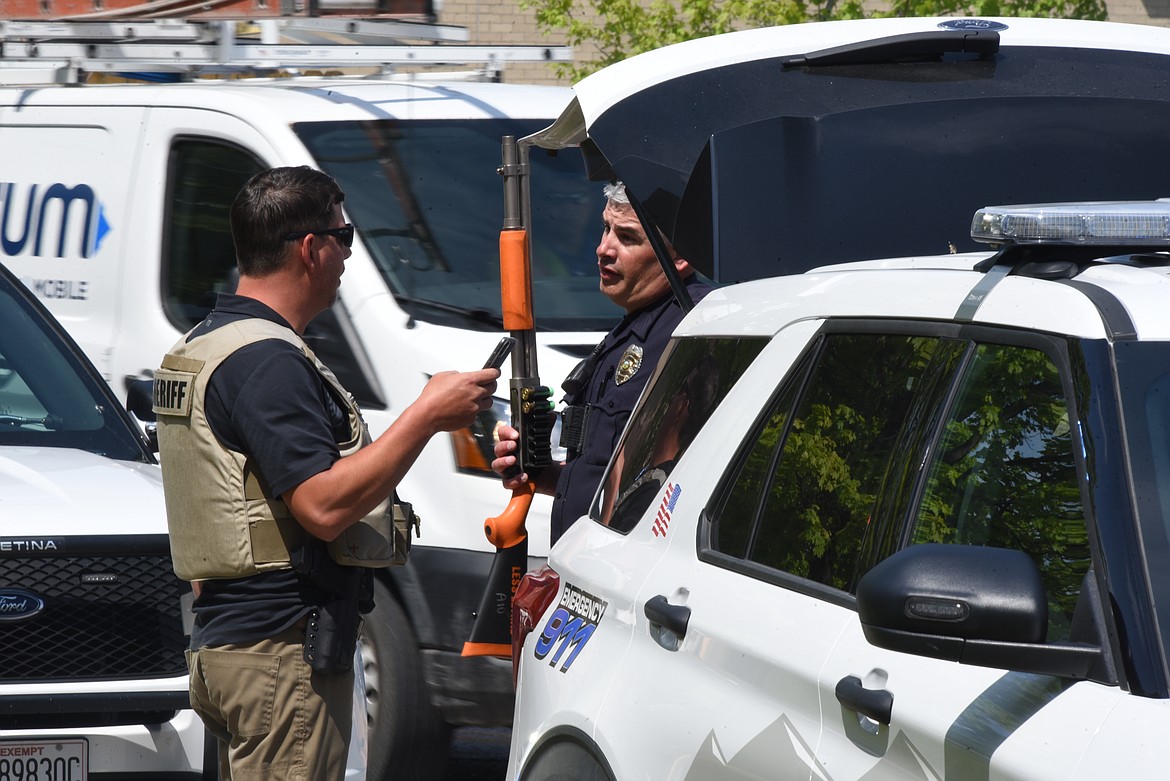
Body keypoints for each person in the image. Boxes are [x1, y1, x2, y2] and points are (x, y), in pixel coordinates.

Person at [151, 165, 498, 780]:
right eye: (346, 237)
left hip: (234, 645)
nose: (346, 256)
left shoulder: (207, 342)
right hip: (280, 655)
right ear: (311, 249)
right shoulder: (267, 362)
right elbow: (322, 507)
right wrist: (426, 416)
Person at [492, 181, 711, 543]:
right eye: (605, 228)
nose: (603, 249)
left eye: (626, 237)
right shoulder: (638, 324)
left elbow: (667, 491)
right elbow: (613, 483)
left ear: (680, 256)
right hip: (583, 570)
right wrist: (540, 471)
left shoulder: (693, 329)